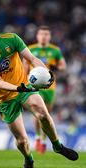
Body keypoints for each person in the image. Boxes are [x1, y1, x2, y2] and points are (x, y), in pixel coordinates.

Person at [0, 10, 78, 168]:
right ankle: (28, 159)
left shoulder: (12, 39)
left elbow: (33, 59)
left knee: (43, 114)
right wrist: (17, 88)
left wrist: (47, 74)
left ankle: (57, 146)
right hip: (5, 98)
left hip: (24, 88)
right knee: (21, 140)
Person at [23, 25, 67, 154]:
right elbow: (25, 66)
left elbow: (63, 65)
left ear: (50, 36)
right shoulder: (30, 49)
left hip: (50, 86)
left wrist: (56, 66)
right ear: (37, 36)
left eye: (46, 34)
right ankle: (37, 137)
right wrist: (25, 80)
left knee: (47, 113)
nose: (44, 36)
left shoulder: (55, 51)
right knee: (38, 110)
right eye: (41, 34)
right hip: (35, 85)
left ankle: (42, 138)